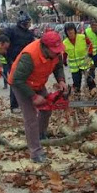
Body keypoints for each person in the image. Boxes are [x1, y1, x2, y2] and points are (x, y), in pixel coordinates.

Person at [9, 31, 68, 163]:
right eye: (54, 51)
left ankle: (40, 135)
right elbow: (18, 79)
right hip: (21, 85)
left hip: (38, 82)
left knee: (47, 109)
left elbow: (58, 67)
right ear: (45, 47)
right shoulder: (29, 56)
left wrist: (61, 80)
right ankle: (35, 152)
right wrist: (33, 97)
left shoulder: (55, 54)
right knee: (31, 119)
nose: (57, 53)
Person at [3, 12, 35, 109]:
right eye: (28, 22)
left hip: (25, 62)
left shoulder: (29, 34)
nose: (29, 24)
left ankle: (25, 102)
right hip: (13, 60)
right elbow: (4, 42)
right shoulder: (11, 31)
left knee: (25, 82)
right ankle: (14, 105)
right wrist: (8, 59)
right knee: (15, 82)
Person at [63, 23, 95, 95]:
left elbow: (90, 44)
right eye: (68, 30)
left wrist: (90, 52)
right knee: (76, 82)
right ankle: (77, 96)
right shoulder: (65, 42)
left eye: (71, 30)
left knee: (90, 80)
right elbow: (64, 53)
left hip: (86, 62)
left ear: (74, 30)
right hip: (75, 67)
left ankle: (93, 94)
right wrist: (64, 60)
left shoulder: (82, 37)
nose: (70, 32)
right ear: (66, 32)